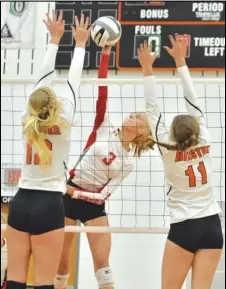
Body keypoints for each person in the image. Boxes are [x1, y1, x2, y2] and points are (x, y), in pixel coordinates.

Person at [55, 46, 156, 289]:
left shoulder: (128, 162)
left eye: (137, 117)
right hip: (68, 193)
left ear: (141, 131)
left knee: (103, 265)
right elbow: (103, 92)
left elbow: (102, 195)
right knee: (61, 262)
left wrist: (72, 193)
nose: (131, 114)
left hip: (92, 204)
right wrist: (106, 54)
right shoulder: (105, 126)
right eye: (133, 113)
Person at [6, 11, 90, 289]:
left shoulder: (26, 119)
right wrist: (80, 44)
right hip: (50, 205)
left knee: (15, 279)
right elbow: (73, 81)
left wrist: (54, 39)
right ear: (56, 104)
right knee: (44, 282)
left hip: (20, 203)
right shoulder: (64, 120)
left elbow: (42, 80)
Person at [137, 37, 223, 289]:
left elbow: (152, 110)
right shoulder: (204, 137)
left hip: (184, 227)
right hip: (212, 226)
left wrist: (147, 69)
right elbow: (192, 98)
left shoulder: (167, 148)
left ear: (173, 133)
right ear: (196, 130)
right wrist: (180, 60)